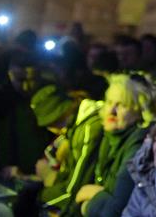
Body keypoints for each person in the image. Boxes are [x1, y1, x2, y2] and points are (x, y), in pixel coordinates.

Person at [73, 73, 156, 217]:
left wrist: (89, 203)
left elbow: (116, 210)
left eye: (121, 105)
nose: (112, 111)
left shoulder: (138, 145)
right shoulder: (108, 136)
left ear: (139, 111)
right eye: (109, 102)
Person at [32, 85, 104, 215]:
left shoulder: (89, 128)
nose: (55, 129)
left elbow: (74, 189)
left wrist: (40, 200)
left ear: (68, 108)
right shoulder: (75, 128)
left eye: (56, 121)